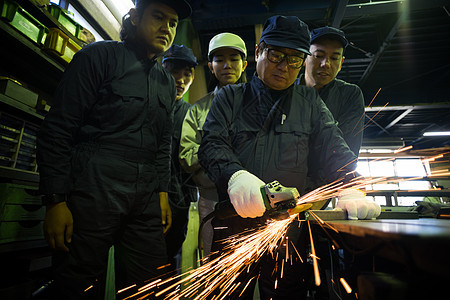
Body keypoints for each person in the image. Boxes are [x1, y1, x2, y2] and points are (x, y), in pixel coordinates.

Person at [198, 15, 380, 299]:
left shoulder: (310, 103)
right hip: (234, 226)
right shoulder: (230, 98)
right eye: (276, 55)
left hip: (288, 232)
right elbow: (211, 144)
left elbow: (334, 147)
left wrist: (350, 186)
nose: (284, 66)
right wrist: (235, 176)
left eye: (295, 59)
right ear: (258, 51)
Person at [36, 0, 191, 298]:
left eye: (172, 23)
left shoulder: (164, 82)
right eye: (158, 17)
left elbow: (162, 144)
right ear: (134, 18)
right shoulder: (98, 57)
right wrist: (55, 200)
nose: (166, 28)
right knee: (77, 283)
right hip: (94, 188)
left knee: (150, 285)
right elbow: (58, 129)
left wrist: (161, 192)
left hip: (145, 196)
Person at [179, 32, 248, 258]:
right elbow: (187, 157)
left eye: (234, 58)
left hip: (251, 200)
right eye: (219, 59)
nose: (226, 65)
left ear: (244, 64)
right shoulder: (197, 110)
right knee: (213, 264)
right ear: (210, 66)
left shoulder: (260, 106)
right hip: (211, 200)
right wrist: (215, 151)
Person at [299, 26, 365, 190]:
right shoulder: (286, 91)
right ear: (304, 57)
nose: (325, 64)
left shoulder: (350, 95)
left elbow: (346, 149)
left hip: (324, 187)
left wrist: (319, 190)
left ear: (341, 63)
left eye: (334, 58)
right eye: (319, 56)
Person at [161, 44, 198, 273]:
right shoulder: (148, 105)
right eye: (174, 71)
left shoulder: (190, 114)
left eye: (187, 74)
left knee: (167, 263)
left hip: (177, 203)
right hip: (143, 199)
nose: (181, 80)